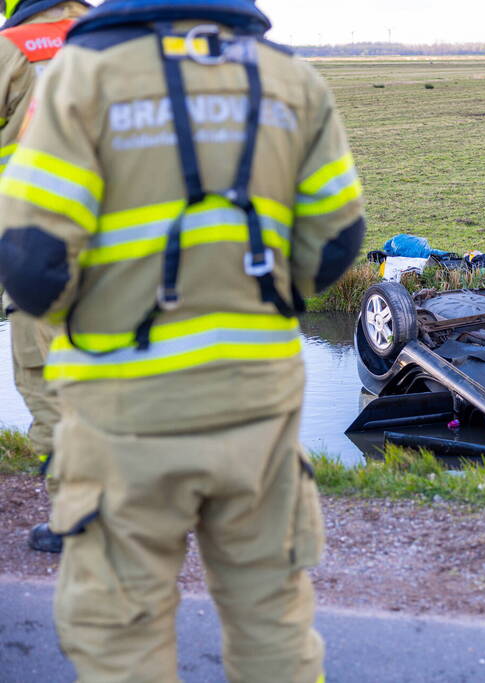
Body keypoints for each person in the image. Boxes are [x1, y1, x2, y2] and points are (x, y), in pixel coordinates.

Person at [0, 0, 366, 679]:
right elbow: (336, 242)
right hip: (259, 409)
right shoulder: (290, 80)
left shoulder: (82, 75)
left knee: (122, 638)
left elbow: (31, 264)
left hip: (125, 419)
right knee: (275, 626)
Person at [0, 0, 92, 553]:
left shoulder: (13, 48)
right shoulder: (123, 39)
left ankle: (75, 517)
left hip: (35, 246)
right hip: (123, 250)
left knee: (47, 384)